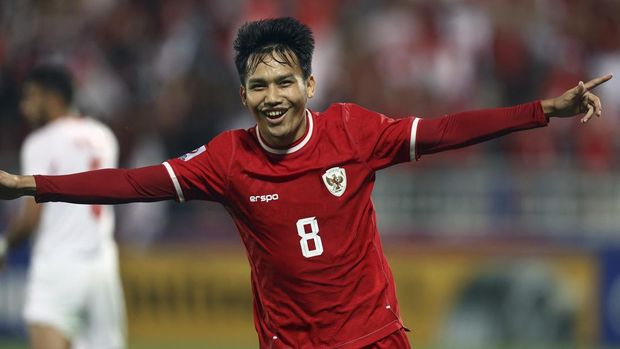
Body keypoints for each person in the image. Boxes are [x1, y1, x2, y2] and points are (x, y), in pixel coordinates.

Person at [0, 17, 612, 348]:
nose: (273, 98)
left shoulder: (354, 131)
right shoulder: (227, 159)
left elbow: (449, 128)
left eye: (285, 82)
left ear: (309, 86)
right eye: (260, 87)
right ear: (243, 94)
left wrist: (540, 110)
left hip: (373, 338)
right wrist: (32, 185)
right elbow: (133, 184)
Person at [0, 65, 126, 349]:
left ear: (52, 97)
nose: (24, 107)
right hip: (102, 269)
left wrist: (5, 245)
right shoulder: (103, 136)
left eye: (30, 97)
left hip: (57, 265)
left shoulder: (40, 142)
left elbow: (32, 216)